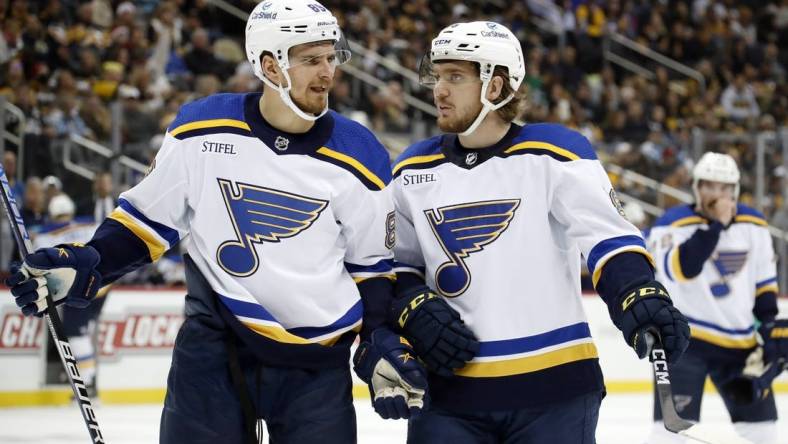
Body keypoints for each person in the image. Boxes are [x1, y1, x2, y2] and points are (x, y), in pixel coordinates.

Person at [6, 1, 428, 443]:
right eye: (310, 60)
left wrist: (378, 338)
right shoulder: (200, 130)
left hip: (316, 364)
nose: (327, 73)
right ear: (271, 65)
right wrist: (91, 261)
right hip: (214, 350)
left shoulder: (361, 154)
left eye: (329, 58)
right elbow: (144, 224)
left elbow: (373, 268)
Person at [390, 21, 691, 443]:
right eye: (437, 75)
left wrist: (636, 292)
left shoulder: (554, 154)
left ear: (495, 87)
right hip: (449, 394)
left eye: (454, 77)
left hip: (554, 392)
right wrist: (413, 304)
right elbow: (395, 265)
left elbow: (608, 239)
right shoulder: (411, 168)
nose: (438, 89)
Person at [646, 152, 788, 444]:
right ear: (696, 187)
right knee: (670, 435)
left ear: (734, 190)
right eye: (708, 186)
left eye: (724, 188)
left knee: (765, 433)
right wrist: (718, 225)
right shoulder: (670, 225)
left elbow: (763, 282)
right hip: (684, 344)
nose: (716, 194)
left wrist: (769, 326)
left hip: (740, 346)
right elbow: (684, 268)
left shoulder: (755, 224)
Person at [33, 193, 107, 396]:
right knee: (85, 331)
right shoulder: (90, 225)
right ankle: (88, 378)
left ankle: (88, 382)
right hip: (102, 284)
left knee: (76, 333)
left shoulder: (45, 235)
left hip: (78, 288)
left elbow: (40, 264)